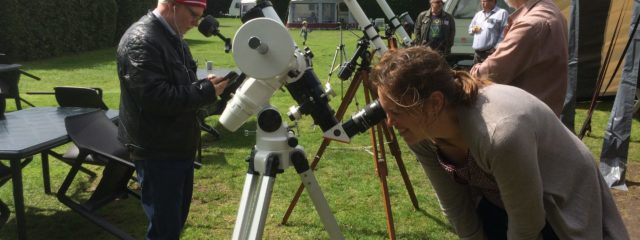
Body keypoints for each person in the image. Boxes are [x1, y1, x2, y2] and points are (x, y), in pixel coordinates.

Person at [372, 47, 629, 239]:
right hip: (500, 200)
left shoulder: (500, 133)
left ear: (435, 103)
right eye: (386, 112)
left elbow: (528, 221)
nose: (390, 123)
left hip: (560, 201)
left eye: (396, 111)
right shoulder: (420, 133)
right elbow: (456, 207)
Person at [116, 0, 228, 238]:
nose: (196, 23)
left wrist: (205, 85)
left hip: (177, 145)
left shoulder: (170, 35)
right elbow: (156, 98)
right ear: (173, 5)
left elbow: (180, 82)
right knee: (164, 229)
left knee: (174, 222)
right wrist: (204, 92)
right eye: (193, 15)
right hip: (158, 150)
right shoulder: (142, 40)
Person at [470, 0, 567, 116]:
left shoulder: (530, 24)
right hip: (541, 115)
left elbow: (491, 73)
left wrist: (472, 73)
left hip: (525, 119)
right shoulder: (552, 10)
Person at [468, 0, 508, 64]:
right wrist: (473, 29)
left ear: (494, 1)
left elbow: (504, 32)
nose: (483, 3)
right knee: (475, 73)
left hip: (490, 52)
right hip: (477, 53)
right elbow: (470, 30)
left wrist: (496, 48)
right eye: (482, 1)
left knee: (489, 73)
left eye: (485, 1)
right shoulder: (478, 14)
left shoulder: (501, 13)